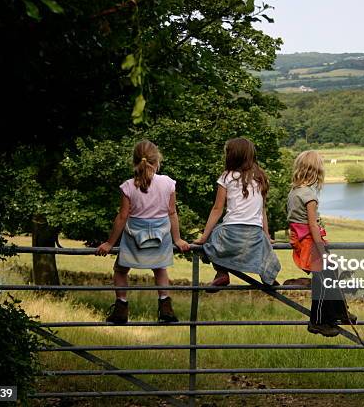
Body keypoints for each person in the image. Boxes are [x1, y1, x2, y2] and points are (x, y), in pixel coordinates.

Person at [96, 140, 190, 324]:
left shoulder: (128, 186)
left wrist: (109, 243)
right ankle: (165, 307)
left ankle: (121, 308)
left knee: (120, 270)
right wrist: (177, 239)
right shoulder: (168, 183)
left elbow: (122, 217)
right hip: (160, 235)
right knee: (160, 268)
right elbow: (172, 212)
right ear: (157, 162)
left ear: (134, 162)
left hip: (134, 236)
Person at [194, 137, 281, 290]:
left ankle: (221, 273)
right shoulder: (261, 178)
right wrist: (266, 234)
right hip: (254, 234)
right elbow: (262, 209)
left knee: (212, 238)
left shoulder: (226, 177)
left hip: (230, 233)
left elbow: (217, 209)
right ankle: (267, 275)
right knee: (263, 247)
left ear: (231, 156)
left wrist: (204, 237)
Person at [287, 150, 356, 337]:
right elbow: (312, 225)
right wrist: (321, 248)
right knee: (323, 282)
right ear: (316, 171)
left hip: (302, 241)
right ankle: (317, 321)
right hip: (310, 243)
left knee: (330, 273)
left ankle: (340, 312)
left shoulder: (294, 191)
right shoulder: (309, 195)